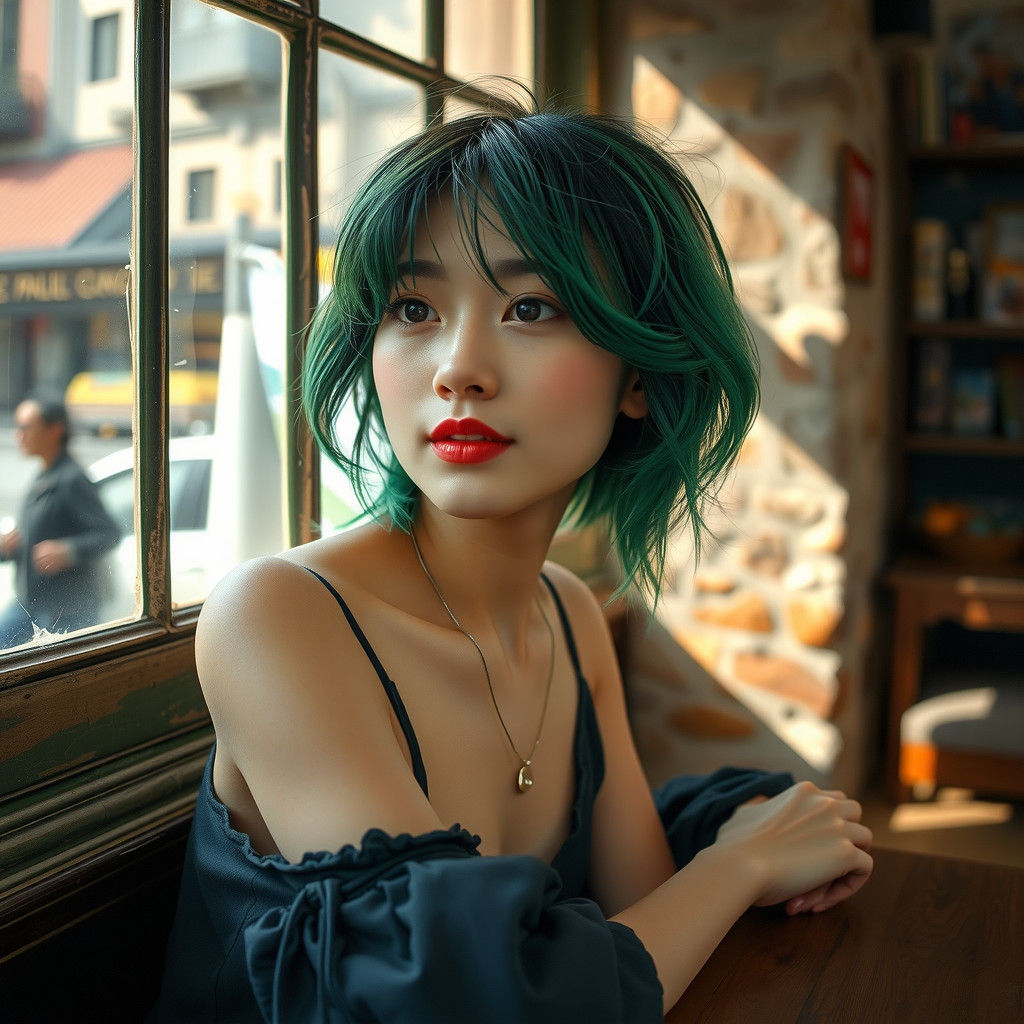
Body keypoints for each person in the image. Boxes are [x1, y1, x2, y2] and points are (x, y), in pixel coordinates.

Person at [151, 95, 872, 1023]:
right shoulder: (278, 616)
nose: (459, 367)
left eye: (530, 307)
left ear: (640, 376)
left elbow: (637, 920)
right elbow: (480, 1002)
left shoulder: (569, 615)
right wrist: (744, 864)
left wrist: (742, 853)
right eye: (414, 307)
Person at [0, 395, 119, 647]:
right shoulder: (44, 474)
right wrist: (8, 546)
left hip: (65, 611)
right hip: (32, 603)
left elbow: (109, 533)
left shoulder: (72, 479)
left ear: (55, 430)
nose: (18, 435)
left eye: (25, 427)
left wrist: (68, 551)